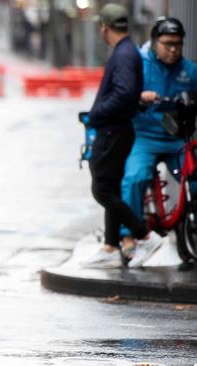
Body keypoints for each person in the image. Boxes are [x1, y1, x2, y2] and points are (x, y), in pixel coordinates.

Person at [81, 4, 165, 269]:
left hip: (113, 131)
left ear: (104, 28)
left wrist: (97, 113)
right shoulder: (128, 51)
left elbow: (124, 93)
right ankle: (110, 246)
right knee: (112, 188)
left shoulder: (124, 53)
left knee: (102, 189)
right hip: (118, 129)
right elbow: (130, 94)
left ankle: (144, 235)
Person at [120, 17, 197, 267]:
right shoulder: (139, 65)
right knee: (135, 178)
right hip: (145, 137)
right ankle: (128, 236)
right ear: (155, 42)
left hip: (178, 139)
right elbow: (121, 98)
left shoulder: (190, 70)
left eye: (178, 44)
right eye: (167, 44)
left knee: (193, 180)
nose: (173, 49)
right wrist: (139, 98)